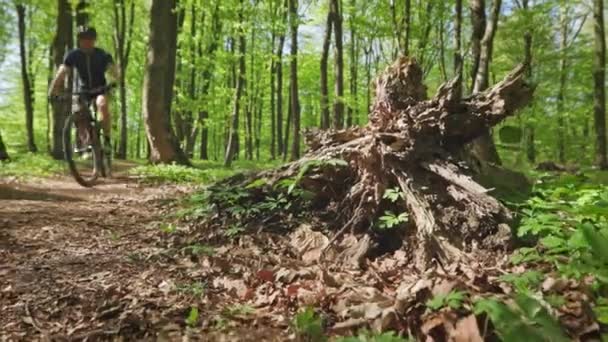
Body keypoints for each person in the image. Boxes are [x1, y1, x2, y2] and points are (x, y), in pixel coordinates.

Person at [49, 26, 118, 151]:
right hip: (83, 90)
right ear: (79, 40)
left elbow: (114, 71)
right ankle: (87, 143)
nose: (86, 42)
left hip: (100, 89)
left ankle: (107, 139)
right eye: (83, 39)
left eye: (90, 39)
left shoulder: (102, 54)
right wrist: (54, 90)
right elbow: (62, 72)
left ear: (94, 40)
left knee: (102, 104)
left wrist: (116, 79)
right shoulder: (73, 55)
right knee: (79, 114)